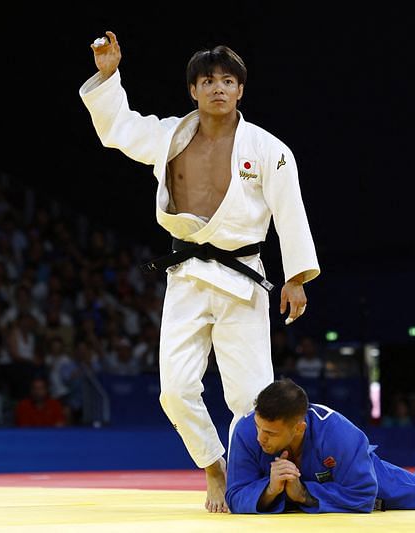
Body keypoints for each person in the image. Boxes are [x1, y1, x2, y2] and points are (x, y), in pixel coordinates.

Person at [80, 32, 320, 513]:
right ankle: (214, 467)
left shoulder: (269, 149)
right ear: (193, 90)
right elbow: (119, 128)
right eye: (208, 81)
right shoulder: (170, 136)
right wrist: (108, 76)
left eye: (227, 81)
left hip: (243, 278)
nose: (217, 89)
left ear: (240, 90)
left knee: (252, 397)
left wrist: (295, 277)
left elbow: (290, 211)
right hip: (187, 276)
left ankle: (260, 479)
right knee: (175, 390)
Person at [226, 379, 415, 514]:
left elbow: (361, 495)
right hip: (318, 488)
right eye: (260, 428)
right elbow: (235, 493)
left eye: (271, 433)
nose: (261, 438)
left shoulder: (340, 434)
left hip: (358, 471)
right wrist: (270, 491)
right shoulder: (246, 431)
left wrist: (303, 495)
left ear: (299, 427)